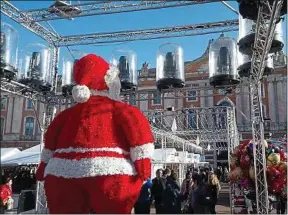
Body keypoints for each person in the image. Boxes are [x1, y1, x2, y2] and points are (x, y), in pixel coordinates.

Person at [35, 54, 155, 214]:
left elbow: (50, 142)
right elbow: (138, 131)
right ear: (108, 81)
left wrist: (43, 166)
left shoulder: (65, 115)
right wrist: (143, 163)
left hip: (61, 172)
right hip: (110, 172)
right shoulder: (119, 109)